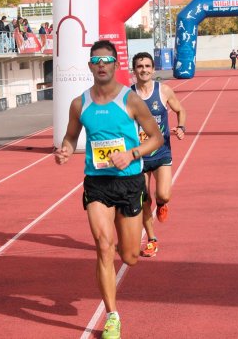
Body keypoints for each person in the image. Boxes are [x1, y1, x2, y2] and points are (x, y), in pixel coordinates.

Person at [55, 40, 163, 339]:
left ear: (116, 66)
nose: (101, 65)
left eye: (107, 60)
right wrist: (64, 150)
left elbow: (156, 138)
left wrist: (132, 154)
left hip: (129, 182)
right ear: (91, 66)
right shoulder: (80, 104)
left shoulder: (131, 100)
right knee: (104, 246)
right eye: (96, 60)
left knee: (128, 256)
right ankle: (112, 315)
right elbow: (70, 136)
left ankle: (130, 237)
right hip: (97, 183)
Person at [130, 52, 186, 258]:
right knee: (143, 200)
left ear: (153, 69)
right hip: (139, 156)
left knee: (163, 194)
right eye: (139, 66)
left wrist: (181, 127)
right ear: (134, 70)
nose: (143, 69)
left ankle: (162, 204)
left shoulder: (163, 91)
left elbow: (181, 110)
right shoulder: (128, 96)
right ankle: (152, 239)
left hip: (161, 152)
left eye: (147, 66)